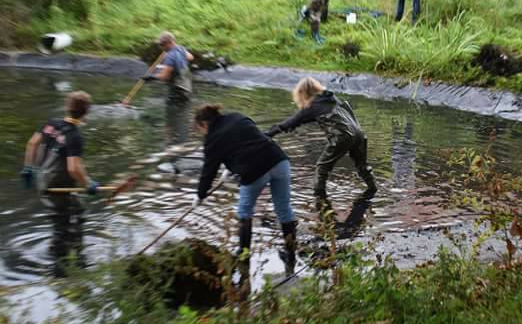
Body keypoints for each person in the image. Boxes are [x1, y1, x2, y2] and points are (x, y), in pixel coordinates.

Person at [192, 104, 297, 275]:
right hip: (279, 161)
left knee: (245, 212)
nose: (202, 133)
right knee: (284, 210)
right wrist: (231, 166)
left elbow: (208, 172)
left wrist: (200, 195)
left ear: (204, 124)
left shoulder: (211, 138)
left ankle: (244, 259)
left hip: (254, 172)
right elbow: (253, 139)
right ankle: (291, 256)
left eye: (199, 129)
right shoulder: (237, 116)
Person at [266, 77, 377, 205]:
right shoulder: (330, 98)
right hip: (359, 134)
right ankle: (373, 189)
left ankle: (320, 198)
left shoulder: (312, 105)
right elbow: (313, 117)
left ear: (302, 93)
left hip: (342, 136)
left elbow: (290, 122)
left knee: (322, 166)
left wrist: (268, 134)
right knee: (362, 166)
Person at [21, 91, 99, 224]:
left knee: (77, 212)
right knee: (64, 222)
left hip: (42, 179)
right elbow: (73, 168)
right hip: (58, 186)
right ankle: (70, 242)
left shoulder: (51, 123)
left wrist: (28, 168)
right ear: (86, 112)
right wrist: (87, 185)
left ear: (67, 106)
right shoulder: (75, 136)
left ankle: (74, 240)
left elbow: (32, 143)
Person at [142, 31, 194, 145]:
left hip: (177, 90)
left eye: (162, 44)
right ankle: (184, 139)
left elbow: (165, 77)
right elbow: (190, 57)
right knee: (183, 114)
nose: (161, 47)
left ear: (169, 43)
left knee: (170, 116)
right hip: (187, 88)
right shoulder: (180, 49)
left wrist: (151, 77)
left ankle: (170, 141)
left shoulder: (170, 56)